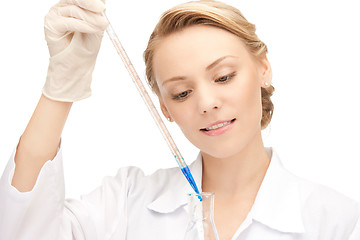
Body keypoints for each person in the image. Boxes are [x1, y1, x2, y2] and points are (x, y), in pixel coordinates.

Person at [0, 0, 359, 239]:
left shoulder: (336, 221)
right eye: (181, 93)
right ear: (165, 109)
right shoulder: (129, 201)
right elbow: (23, 230)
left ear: (263, 68)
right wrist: (61, 88)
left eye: (223, 77)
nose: (207, 103)